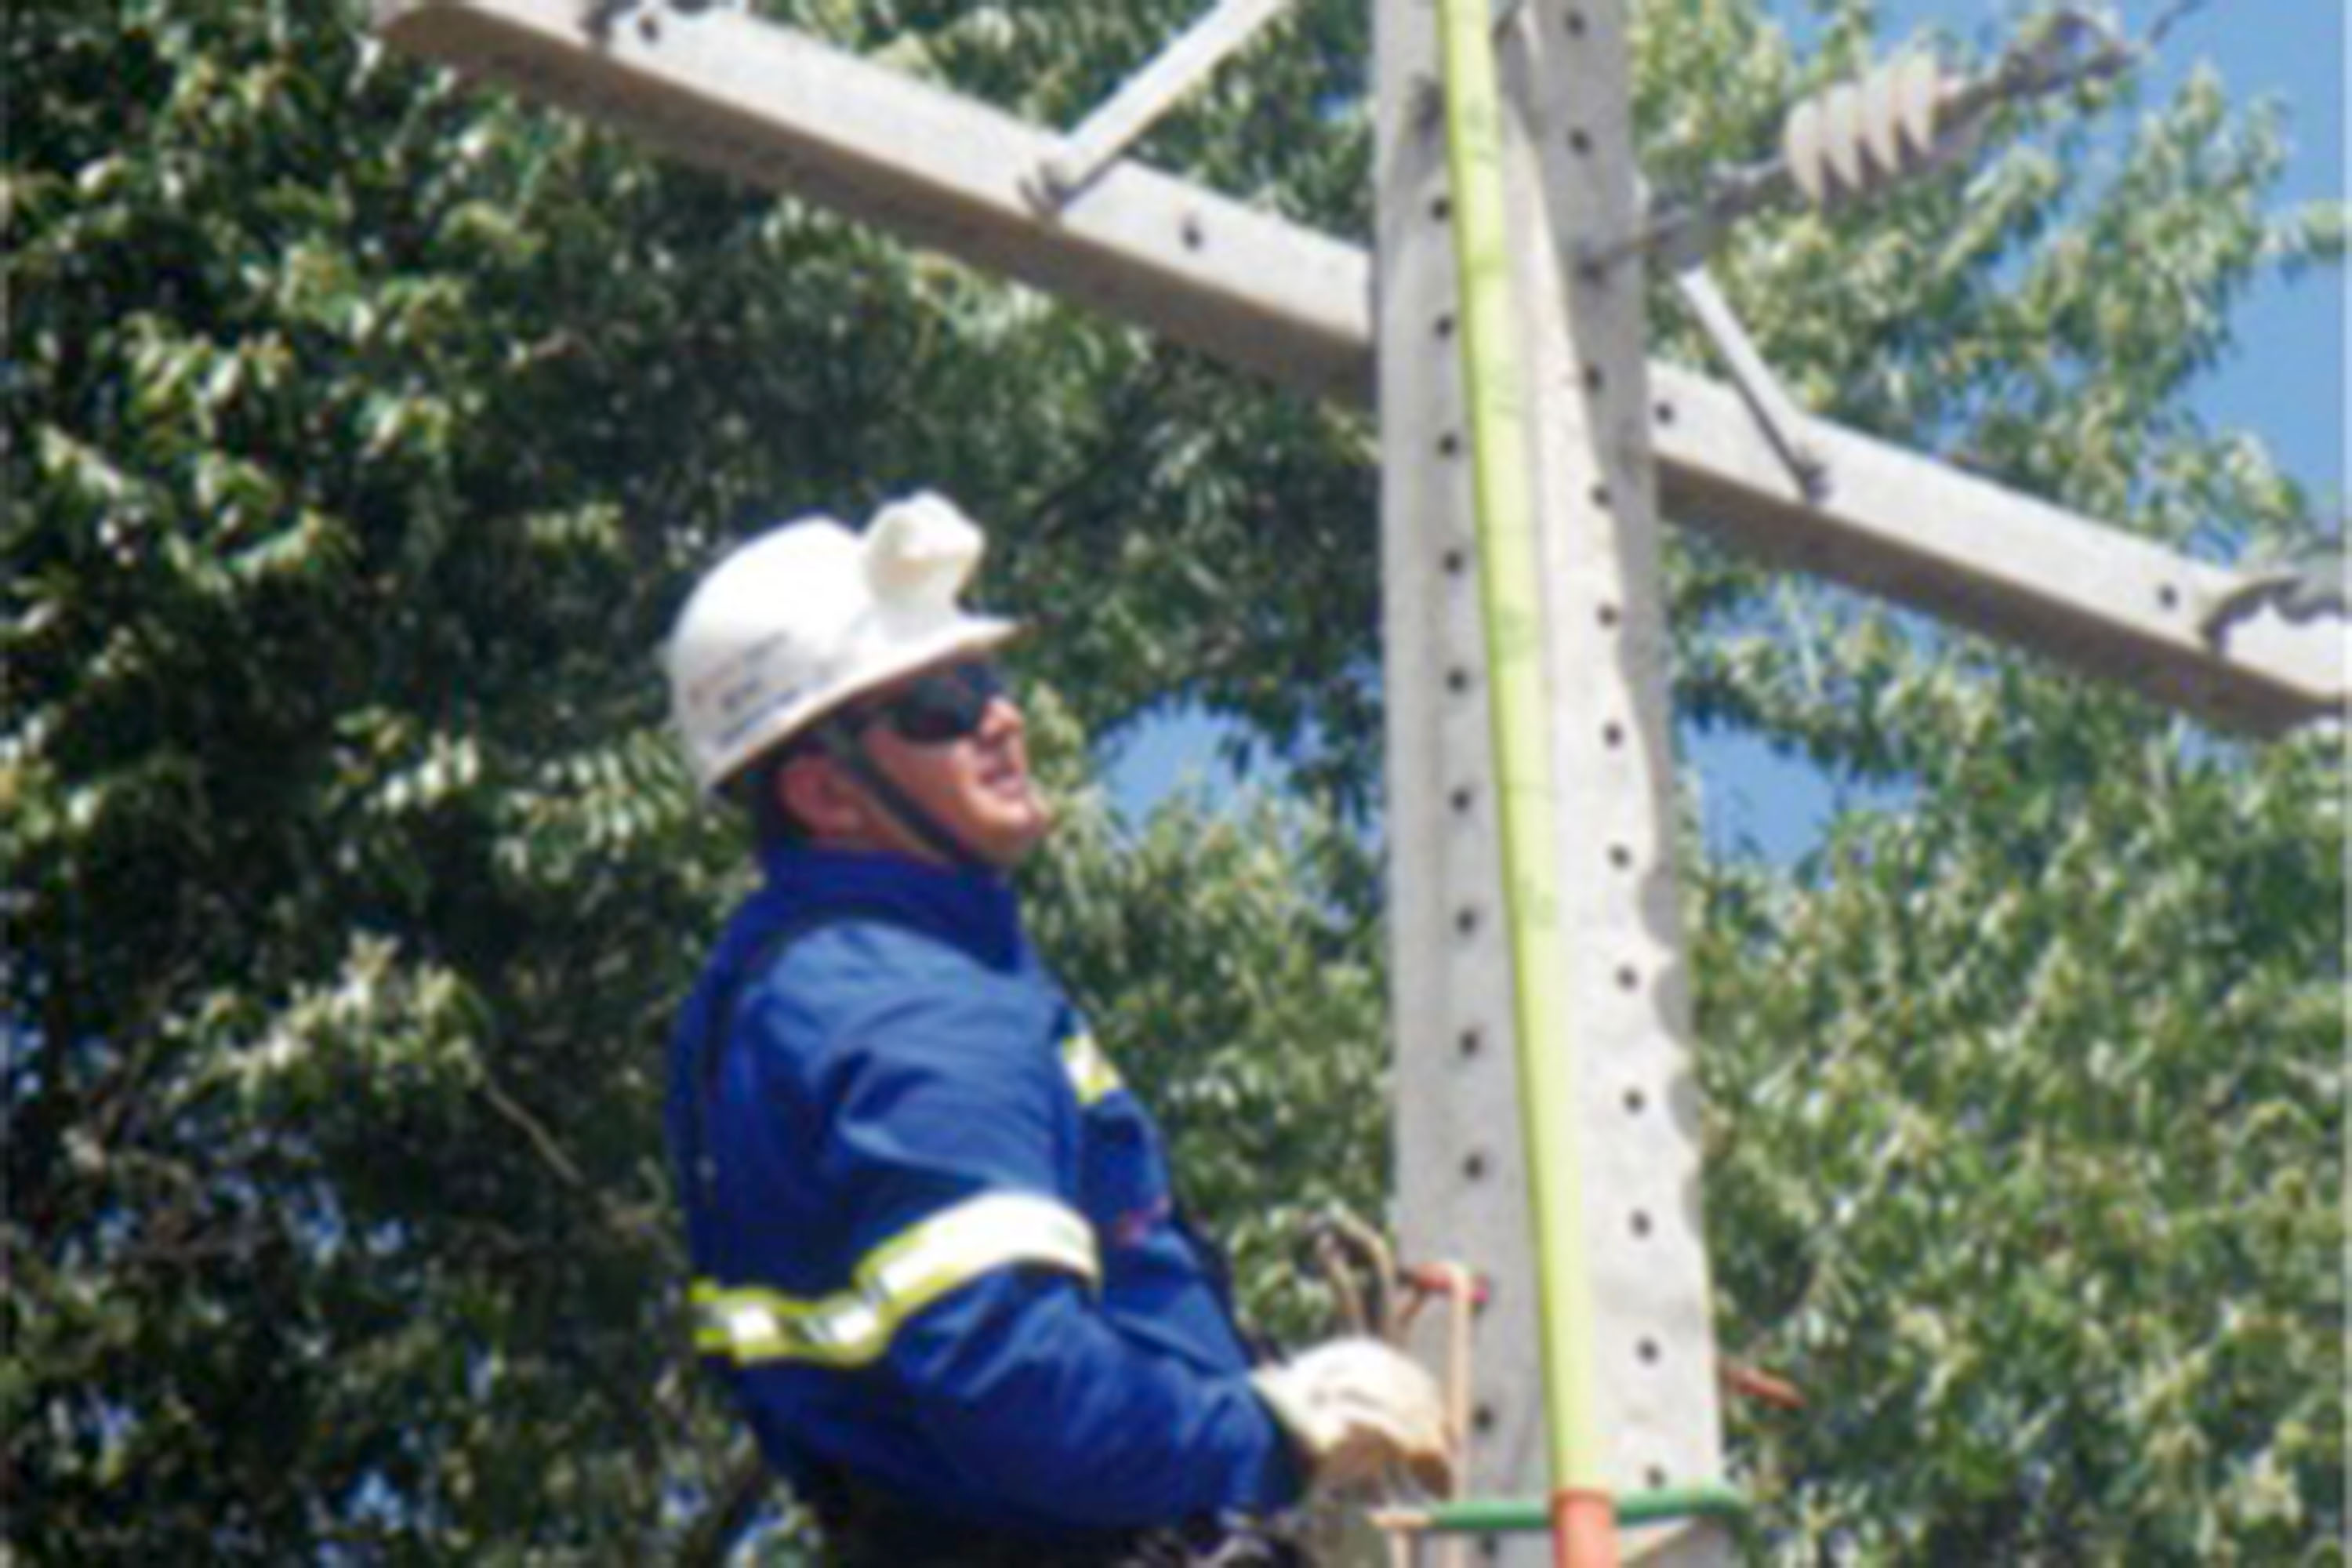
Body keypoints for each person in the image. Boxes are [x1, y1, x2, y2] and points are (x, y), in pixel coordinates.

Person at [661, 492, 1452, 1566]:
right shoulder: (904, 1002)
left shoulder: (800, 986)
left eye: (986, 679)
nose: (1000, 716)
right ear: (823, 792)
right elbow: (1014, 1384)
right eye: (938, 702)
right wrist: (1277, 1431)